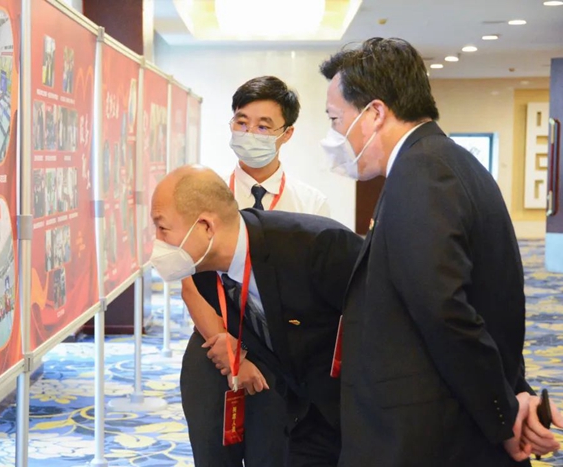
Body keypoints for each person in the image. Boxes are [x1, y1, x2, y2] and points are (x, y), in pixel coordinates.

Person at [318, 37, 563, 466]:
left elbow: (446, 313)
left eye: (336, 119)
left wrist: (504, 416)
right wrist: (512, 394)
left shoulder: (422, 173)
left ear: (374, 113)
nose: (334, 136)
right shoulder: (443, 160)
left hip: (427, 434)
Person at [151, 165, 362, 466]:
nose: (157, 242)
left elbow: (385, 332)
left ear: (206, 226)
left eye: (162, 228)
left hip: (359, 409)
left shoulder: (318, 247)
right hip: (302, 413)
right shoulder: (204, 273)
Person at [178, 76, 332, 467]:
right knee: (214, 457)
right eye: (242, 122)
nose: (250, 133)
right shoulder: (203, 198)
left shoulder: (311, 204)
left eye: (264, 126)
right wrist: (226, 347)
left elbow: (319, 293)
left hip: (283, 358)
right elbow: (190, 284)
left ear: (287, 133)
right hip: (213, 345)